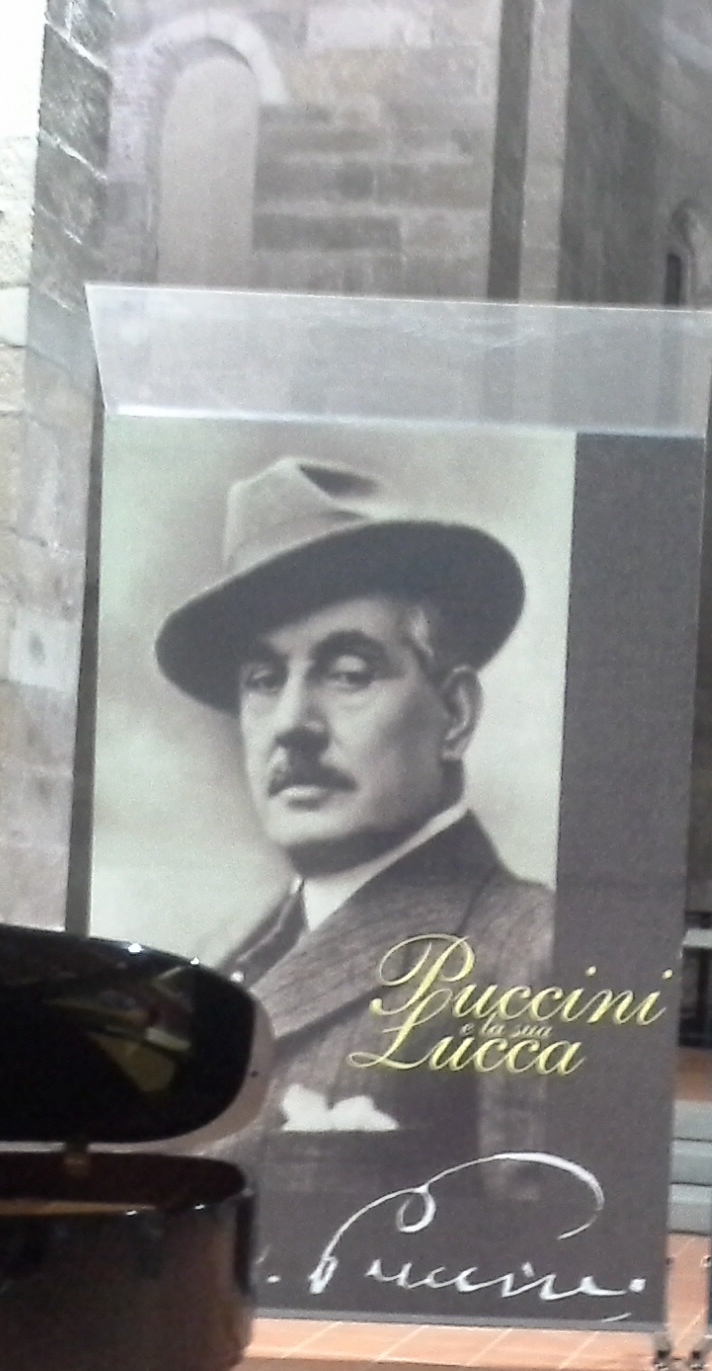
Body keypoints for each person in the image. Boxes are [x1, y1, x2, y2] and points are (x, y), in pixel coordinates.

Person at [155, 455, 554, 1195]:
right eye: (263, 680)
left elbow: (540, 1243)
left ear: (455, 715)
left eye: (348, 673)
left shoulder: (527, 948)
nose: (292, 725)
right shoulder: (221, 958)